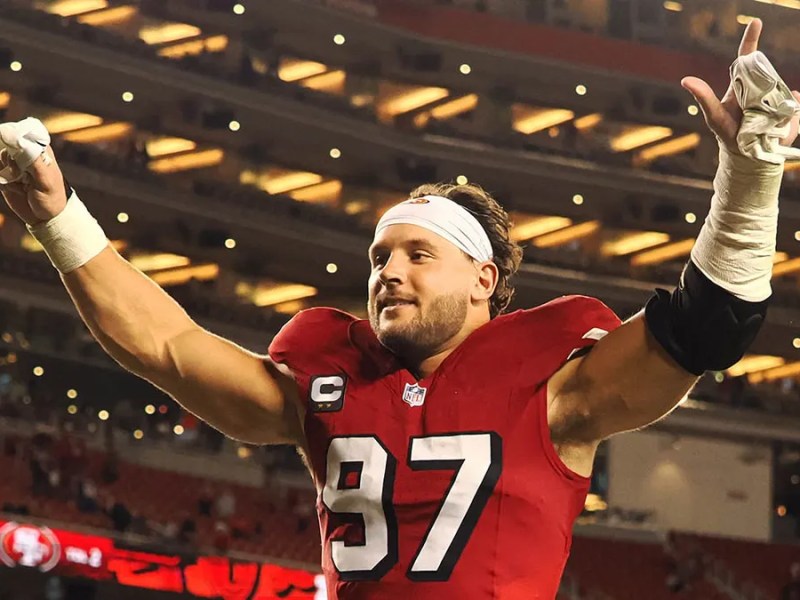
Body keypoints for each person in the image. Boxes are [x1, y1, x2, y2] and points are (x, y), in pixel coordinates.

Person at [0, 19, 798, 600]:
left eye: (420, 255)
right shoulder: (328, 376)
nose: (388, 272)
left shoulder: (554, 387)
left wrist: (752, 178)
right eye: (380, 257)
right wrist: (56, 214)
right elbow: (165, 345)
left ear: (484, 279)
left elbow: (704, 330)